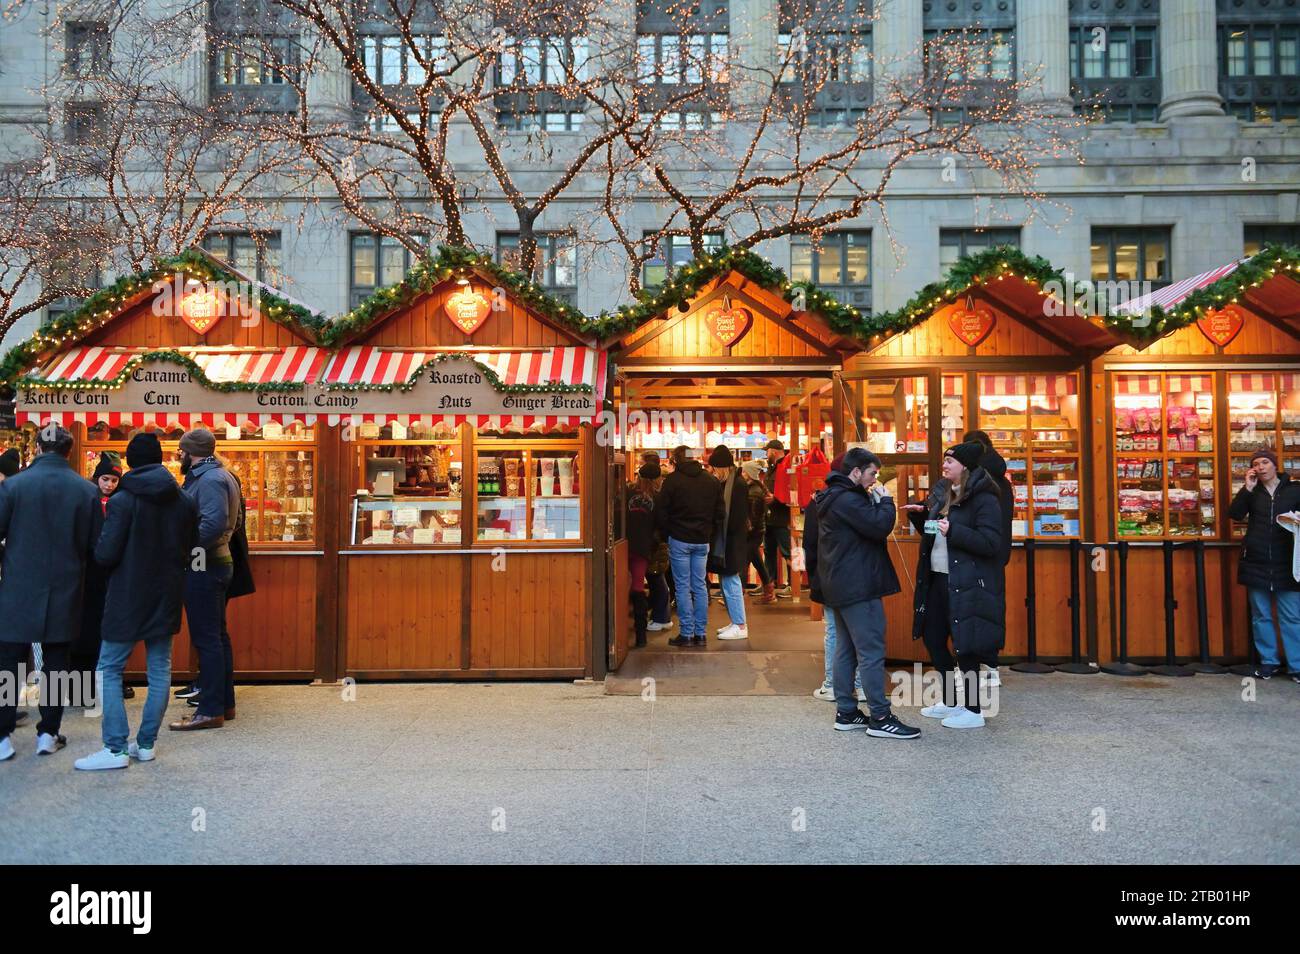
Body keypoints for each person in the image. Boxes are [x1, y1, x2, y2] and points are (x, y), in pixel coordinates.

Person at [75, 434, 199, 770]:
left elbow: (105, 553)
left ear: (130, 462)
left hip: (127, 595)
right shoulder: (184, 500)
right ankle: (145, 744)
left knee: (108, 668)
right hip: (167, 593)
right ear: (160, 460)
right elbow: (191, 548)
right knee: (160, 668)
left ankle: (114, 748)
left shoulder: (122, 500)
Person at [0, 426, 97, 763]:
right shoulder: (85, 491)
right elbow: (94, 545)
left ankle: (2, 736)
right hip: (66, 583)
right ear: (69, 451)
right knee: (57, 662)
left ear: (38, 448)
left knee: (8, 661)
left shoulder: (12, 486)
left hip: (18, 585)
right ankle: (48, 732)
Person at [817, 447, 919, 739]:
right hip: (858, 585)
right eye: (872, 474)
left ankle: (847, 712)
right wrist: (886, 502)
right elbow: (878, 527)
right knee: (871, 650)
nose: (875, 480)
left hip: (840, 584)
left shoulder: (834, 496)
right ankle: (881, 716)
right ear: (856, 472)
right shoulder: (848, 498)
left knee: (846, 649)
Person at [904, 442, 1006, 729]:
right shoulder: (944, 493)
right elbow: (936, 531)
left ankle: (973, 711)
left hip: (967, 582)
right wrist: (921, 516)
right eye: (945, 460)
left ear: (966, 466)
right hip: (937, 577)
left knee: (967, 645)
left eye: (950, 461)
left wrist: (956, 531)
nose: (945, 465)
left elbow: (990, 543)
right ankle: (950, 700)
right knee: (933, 638)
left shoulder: (985, 499)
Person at [170, 428, 240, 731]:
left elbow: (212, 523)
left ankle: (210, 710)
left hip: (205, 565)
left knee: (207, 639)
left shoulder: (209, 479)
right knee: (217, 637)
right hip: (215, 562)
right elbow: (232, 522)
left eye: (180, 451)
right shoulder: (217, 475)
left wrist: (184, 549)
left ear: (190, 452)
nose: (178, 456)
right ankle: (224, 703)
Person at [1228, 449, 1300, 682]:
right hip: (1256, 559)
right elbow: (1235, 514)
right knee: (1261, 615)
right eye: (1256, 464)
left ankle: (1296, 665)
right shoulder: (1253, 492)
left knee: (1291, 616)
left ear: (1275, 465)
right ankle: (1268, 662)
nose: (1260, 467)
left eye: (1265, 462)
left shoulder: (1294, 490)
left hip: (1287, 560)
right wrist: (1246, 488)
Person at [803, 454, 865, 703]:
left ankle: (832, 684)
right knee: (860, 632)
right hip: (858, 577)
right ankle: (860, 686)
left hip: (828, 576)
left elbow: (810, 545)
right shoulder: (861, 501)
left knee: (833, 631)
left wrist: (814, 577)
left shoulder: (818, 502)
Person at [655, 445, 723, 647]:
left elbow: (661, 512)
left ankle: (686, 633)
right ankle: (700, 633)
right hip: (702, 540)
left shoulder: (672, 481)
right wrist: (709, 532)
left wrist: (668, 533)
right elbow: (720, 513)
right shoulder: (711, 480)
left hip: (679, 539)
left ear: (676, 460)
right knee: (700, 586)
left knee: (683, 587)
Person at [71, 452, 124, 705]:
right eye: (105, 479)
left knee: (106, 632)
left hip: (107, 577)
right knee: (87, 631)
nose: (109, 485)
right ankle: (80, 688)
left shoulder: (120, 503)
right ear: (96, 478)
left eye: (114, 480)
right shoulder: (89, 499)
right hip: (88, 576)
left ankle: (102, 685)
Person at [963, 429, 1013, 689]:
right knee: (993, 608)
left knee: (973, 610)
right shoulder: (1003, 483)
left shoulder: (977, 485)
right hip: (998, 554)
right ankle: (991, 666)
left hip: (977, 552)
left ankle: (976, 668)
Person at [708, 445, 750, 640]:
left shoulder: (738, 485)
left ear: (722, 467)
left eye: (715, 468)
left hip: (732, 542)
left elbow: (735, 518)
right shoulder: (730, 483)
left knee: (731, 582)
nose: (713, 472)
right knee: (727, 582)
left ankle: (740, 625)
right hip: (730, 542)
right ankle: (735, 621)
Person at [626, 462, 660, 647]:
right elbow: (660, 524)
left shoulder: (626, 493)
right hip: (643, 548)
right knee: (638, 588)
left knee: (620, 587)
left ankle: (617, 630)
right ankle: (641, 636)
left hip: (623, 545)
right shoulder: (657, 497)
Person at [762, 439, 793, 598]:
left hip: (783, 518)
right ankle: (769, 584)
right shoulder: (773, 467)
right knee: (769, 552)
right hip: (770, 518)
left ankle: (794, 586)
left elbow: (791, 488)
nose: (766, 454)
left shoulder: (786, 465)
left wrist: (776, 498)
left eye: (767, 451)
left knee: (789, 552)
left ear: (773, 451)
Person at [741, 460, 772, 600]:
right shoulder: (755, 489)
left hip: (753, 532)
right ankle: (769, 591)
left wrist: (746, 530)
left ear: (749, 474)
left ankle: (737, 593)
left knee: (744, 561)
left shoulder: (753, 492)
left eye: (743, 472)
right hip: (757, 531)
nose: (741, 474)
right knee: (757, 560)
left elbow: (752, 517)